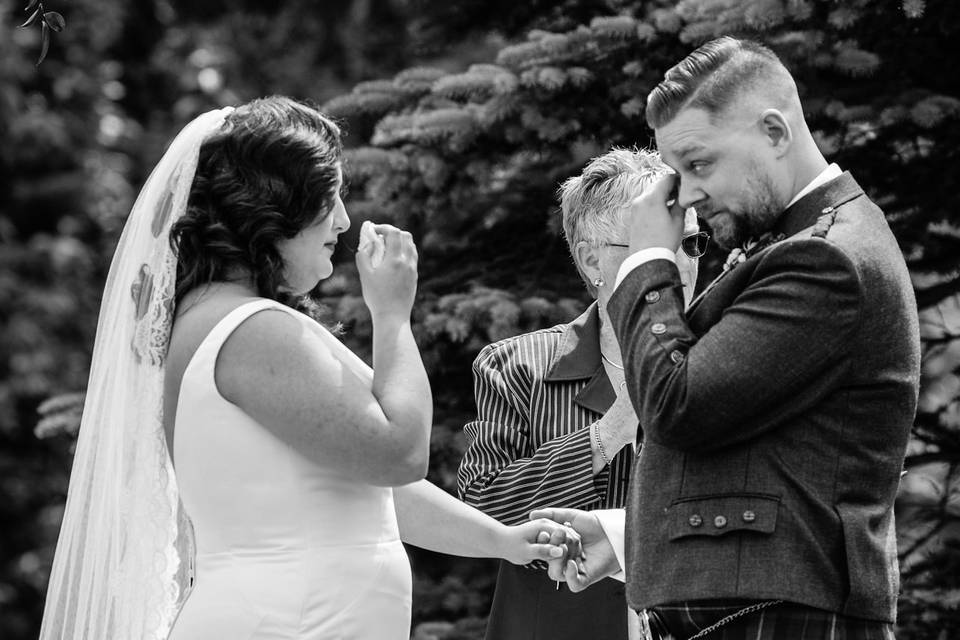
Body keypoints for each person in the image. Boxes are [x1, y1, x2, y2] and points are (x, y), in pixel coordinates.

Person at [38, 96, 578, 640]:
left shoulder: (231, 320)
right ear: (277, 209)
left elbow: (367, 480)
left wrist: (502, 539)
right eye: (331, 196)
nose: (344, 220)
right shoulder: (252, 330)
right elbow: (400, 453)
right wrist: (392, 316)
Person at [535, 36, 920, 639]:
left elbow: (676, 405)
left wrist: (645, 262)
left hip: (785, 615)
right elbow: (755, 457)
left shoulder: (826, 260)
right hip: (764, 608)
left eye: (699, 163)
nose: (686, 194)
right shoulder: (799, 246)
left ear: (773, 132)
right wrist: (624, 534)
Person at [458, 148, 700, 640]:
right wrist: (615, 425)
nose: (680, 261)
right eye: (657, 242)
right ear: (593, 260)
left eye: (692, 243)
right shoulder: (517, 366)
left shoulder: (732, 356)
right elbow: (482, 510)